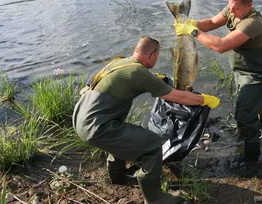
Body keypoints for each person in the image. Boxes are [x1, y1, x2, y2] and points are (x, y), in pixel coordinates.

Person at [72, 37, 220, 204]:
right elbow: (178, 96)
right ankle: (155, 198)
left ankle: (118, 178)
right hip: (98, 128)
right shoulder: (138, 73)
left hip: (80, 120)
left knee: (117, 137)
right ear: (152, 54)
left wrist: (153, 78)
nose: (157, 60)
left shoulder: (120, 62)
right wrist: (204, 100)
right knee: (153, 145)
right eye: (157, 56)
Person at [174, 0, 262, 168]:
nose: (231, 10)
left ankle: (251, 160)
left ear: (249, 5)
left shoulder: (253, 23)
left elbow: (220, 46)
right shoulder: (232, 10)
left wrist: (194, 32)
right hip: (242, 71)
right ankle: (253, 127)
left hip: (258, 75)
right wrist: (190, 24)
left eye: (236, 7)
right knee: (249, 108)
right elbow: (212, 23)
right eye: (230, 5)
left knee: (243, 115)